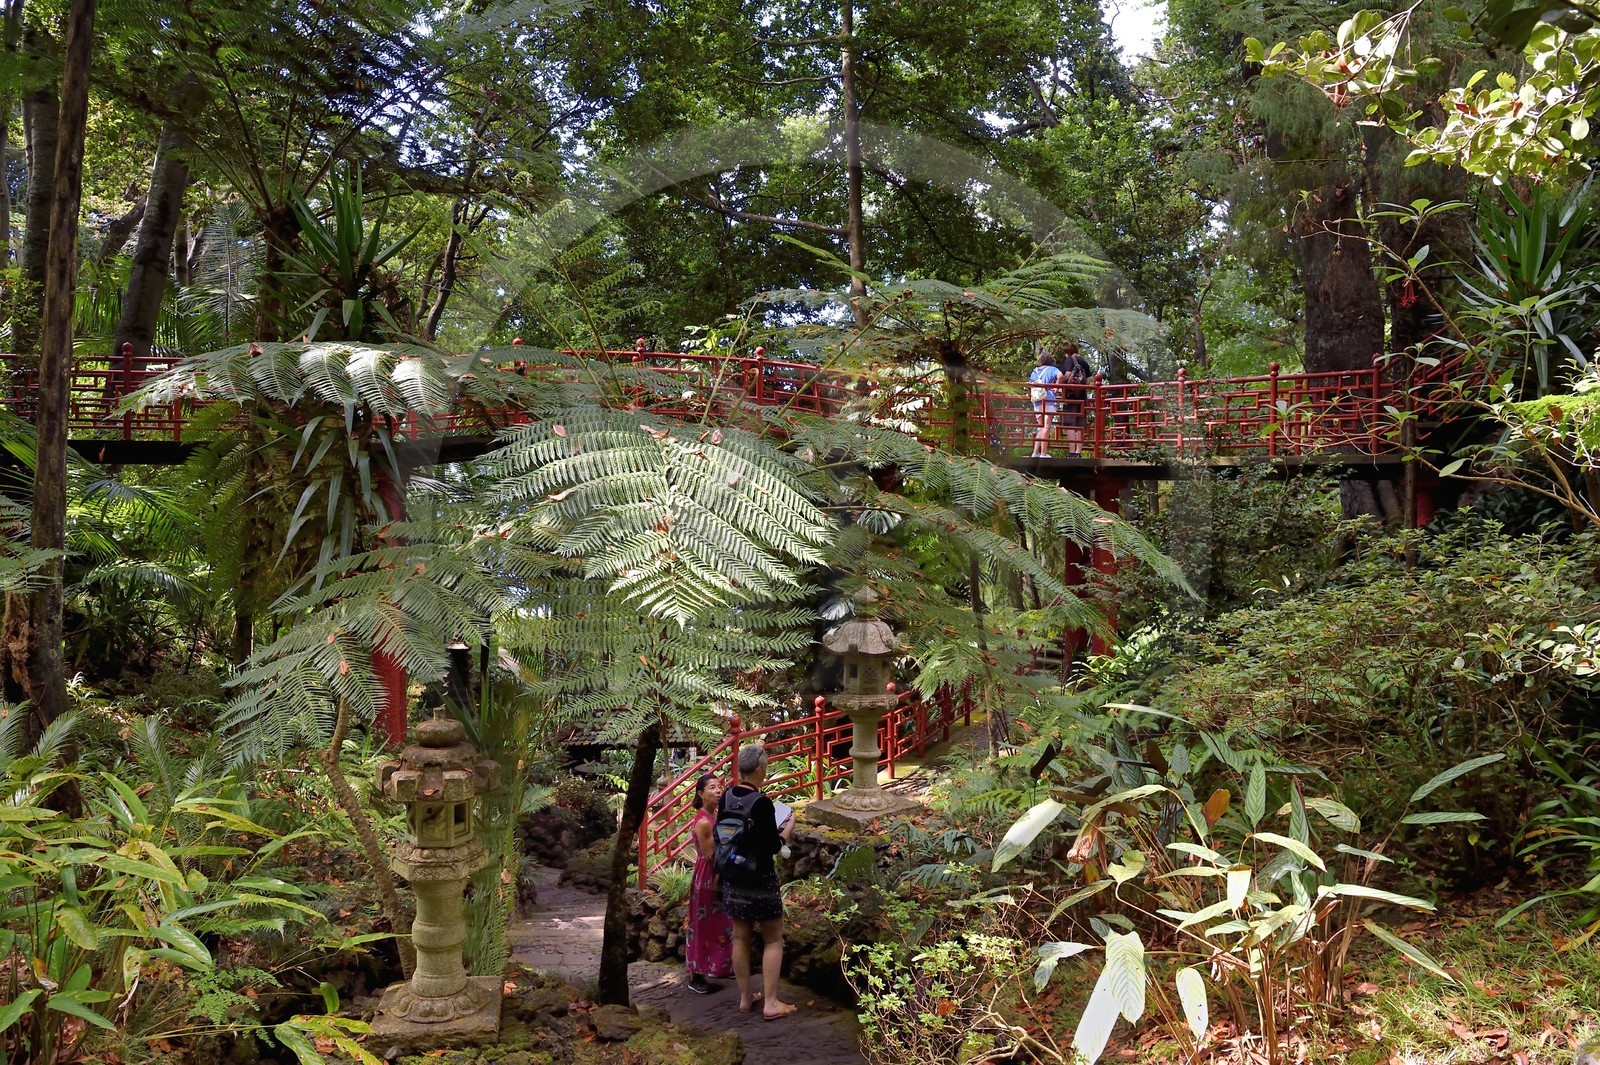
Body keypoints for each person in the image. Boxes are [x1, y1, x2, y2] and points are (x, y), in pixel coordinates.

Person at [718, 744, 797, 1020]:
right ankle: (771, 1003)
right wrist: (787, 828)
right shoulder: (761, 802)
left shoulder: (727, 795)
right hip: (759, 878)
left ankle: (744, 998)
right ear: (761, 768)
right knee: (773, 939)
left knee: (740, 936)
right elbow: (772, 846)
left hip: (733, 876)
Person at [685, 774, 733, 994]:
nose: (718, 790)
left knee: (722, 922)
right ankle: (696, 974)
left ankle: (720, 966)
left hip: (718, 873)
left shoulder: (714, 814)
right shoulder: (703, 821)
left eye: (720, 787)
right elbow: (711, 855)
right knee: (704, 925)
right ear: (700, 793)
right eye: (712, 787)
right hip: (709, 875)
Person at [1057, 343, 1094, 456]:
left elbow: (1068, 375)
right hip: (1082, 396)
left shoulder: (1070, 359)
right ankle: (1078, 452)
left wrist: (1059, 381)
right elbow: (1088, 382)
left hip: (1071, 396)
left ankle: (1072, 452)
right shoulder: (1084, 362)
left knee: (1070, 425)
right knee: (1079, 425)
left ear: (1067, 352)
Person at [1028, 349, 1063, 458]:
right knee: (1047, 426)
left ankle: (1035, 453)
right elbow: (1060, 376)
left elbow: (1030, 384)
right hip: (1049, 399)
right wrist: (1056, 388)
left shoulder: (1035, 371)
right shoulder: (1053, 369)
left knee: (1041, 427)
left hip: (1037, 400)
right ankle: (1043, 453)